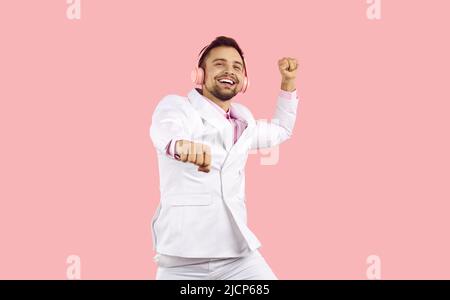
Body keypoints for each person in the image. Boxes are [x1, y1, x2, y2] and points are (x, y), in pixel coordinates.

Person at [149, 36, 299, 280]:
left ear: (244, 82)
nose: (229, 70)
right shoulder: (178, 107)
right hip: (182, 261)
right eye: (219, 64)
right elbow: (165, 129)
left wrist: (288, 83)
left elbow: (281, 129)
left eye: (237, 67)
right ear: (200, 74)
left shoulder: (244, 122)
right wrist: (180, 146)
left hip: (238, 257)